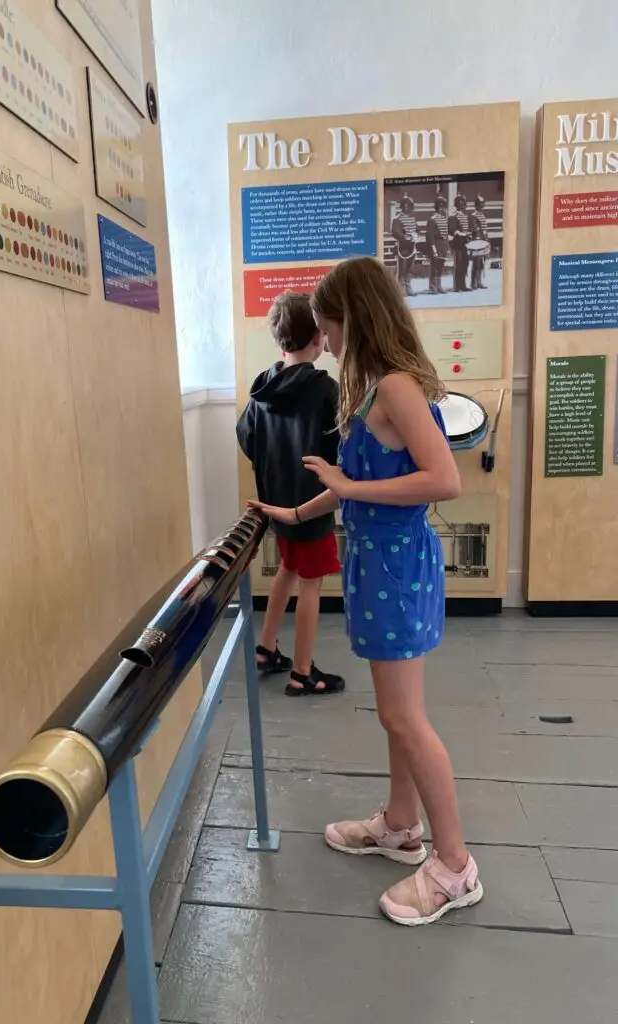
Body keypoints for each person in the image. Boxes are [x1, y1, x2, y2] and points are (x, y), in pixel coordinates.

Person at [249, 258, 483, 925]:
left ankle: (455, 867)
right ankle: (401, 826)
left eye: (328, 323)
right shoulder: (372, 387)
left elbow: (444, 481)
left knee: (404, 717)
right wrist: (298, 512)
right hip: (378, 562)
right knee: (395, 713)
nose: (323, 336)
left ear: (353, 318)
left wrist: (349, 489)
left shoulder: (397, 388)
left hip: (396, 563)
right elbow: (351, 479)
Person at [236, 291, 345, 697]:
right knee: (311, 584)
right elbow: (340, 452)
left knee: (288, 569)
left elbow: (247, 438)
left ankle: (266, 649)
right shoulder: (326, 390)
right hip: (311, 508)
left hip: (274, 503)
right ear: (319, 336)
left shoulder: (262, 389)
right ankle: (302, 672)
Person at [390, 195, 418, 297]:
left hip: (412, 246)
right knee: (402, 268)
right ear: (404, 206)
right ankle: (400, 290)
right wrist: (406, 238)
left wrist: (415, 235)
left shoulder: (412, 218)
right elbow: (396, 232)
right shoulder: (397, 218)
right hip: (403, 247)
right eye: (409, 206)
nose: (410, 208)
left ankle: (408, 288)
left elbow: (417, 229)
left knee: (410, 269)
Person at [425, 195, 449, 295]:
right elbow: (430, 236)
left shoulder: (444, 218)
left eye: (442, 205)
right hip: (436, 245)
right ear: (436, 206)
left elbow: (446, 234)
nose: (441, 207)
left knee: (440, 267)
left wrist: (447, 247)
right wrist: (434, 249)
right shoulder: (432, 219)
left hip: (443, 246)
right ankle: (433, 287)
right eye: (439, 205)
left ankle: (439, 286)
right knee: (434, 267)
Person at [449, 193, 470, 292]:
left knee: (465, 264)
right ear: (456, 204)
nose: (462, 205)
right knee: (458, 264)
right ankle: (457, 286)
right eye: (460, 203)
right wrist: (462, 234)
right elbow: (453, 230)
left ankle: (463, 285)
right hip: (458, 243)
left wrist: (469, 234)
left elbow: (467, 228)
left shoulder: (465, 216)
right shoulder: (453, 216)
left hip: (465, 243)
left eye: (463, 203)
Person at [469, 194, 489, 290]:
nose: (481, 205)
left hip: (484, 240)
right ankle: (474, 282)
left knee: (482, 262)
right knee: (476, 262)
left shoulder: (483, 215)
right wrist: (479, 238)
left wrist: (486, 239)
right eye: (480, 203)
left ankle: (479, 281)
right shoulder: (473, 215)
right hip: (477, 241)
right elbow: (474, 229)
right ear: (476, 204)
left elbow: (485, 228)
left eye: (482, 203)